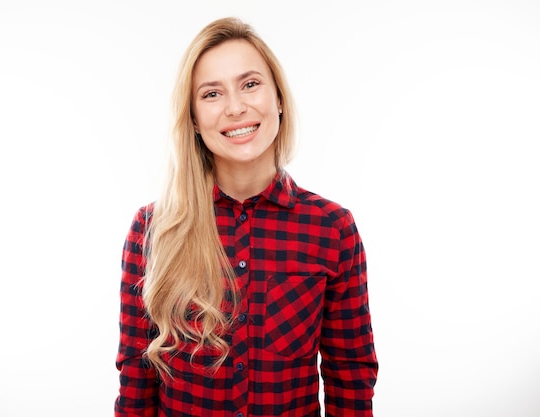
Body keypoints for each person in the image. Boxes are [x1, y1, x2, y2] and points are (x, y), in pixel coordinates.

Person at [115, 17, 378, 417]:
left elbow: (350, 379)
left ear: (279, 99)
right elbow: (136, 382)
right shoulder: (152, 229)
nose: (236, 107)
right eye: (212, 93)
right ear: (193, 120)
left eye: (250, 84)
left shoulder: (332, 229)